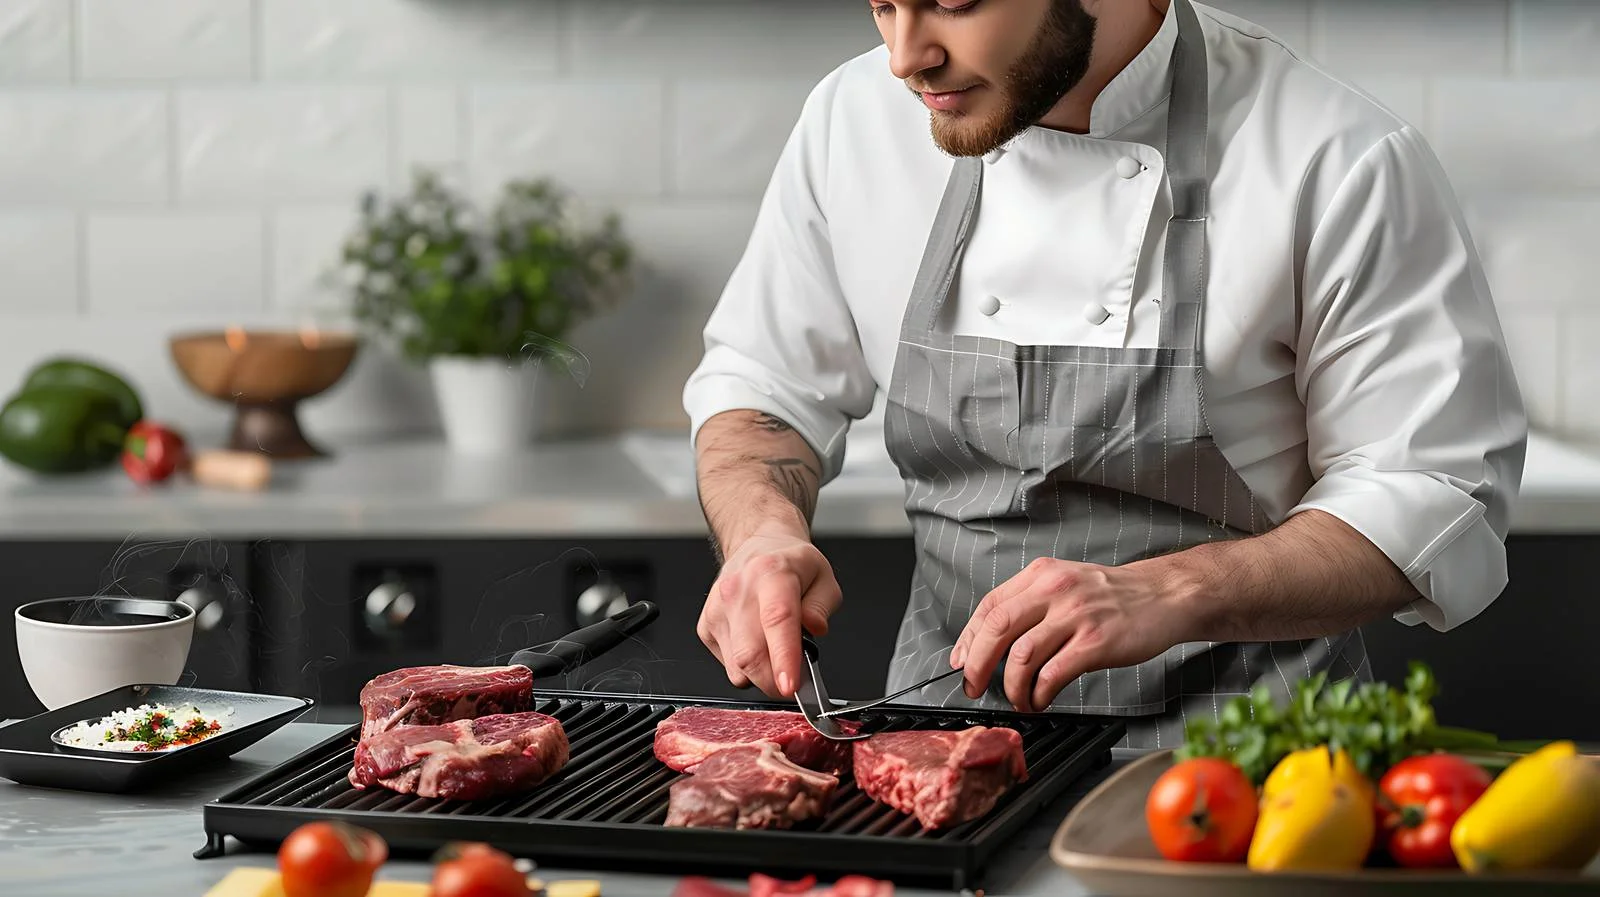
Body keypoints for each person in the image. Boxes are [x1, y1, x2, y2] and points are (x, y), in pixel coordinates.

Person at [681, 0, 1527, 748]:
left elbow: (1429, 488)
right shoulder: (852, 121)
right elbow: (763, 388)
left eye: (955, 4)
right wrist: (760, 532)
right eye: (880, 4)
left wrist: (1173, 589)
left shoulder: (1334, 155)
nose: (907, 56)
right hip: (943, 762)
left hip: (1259, 781)